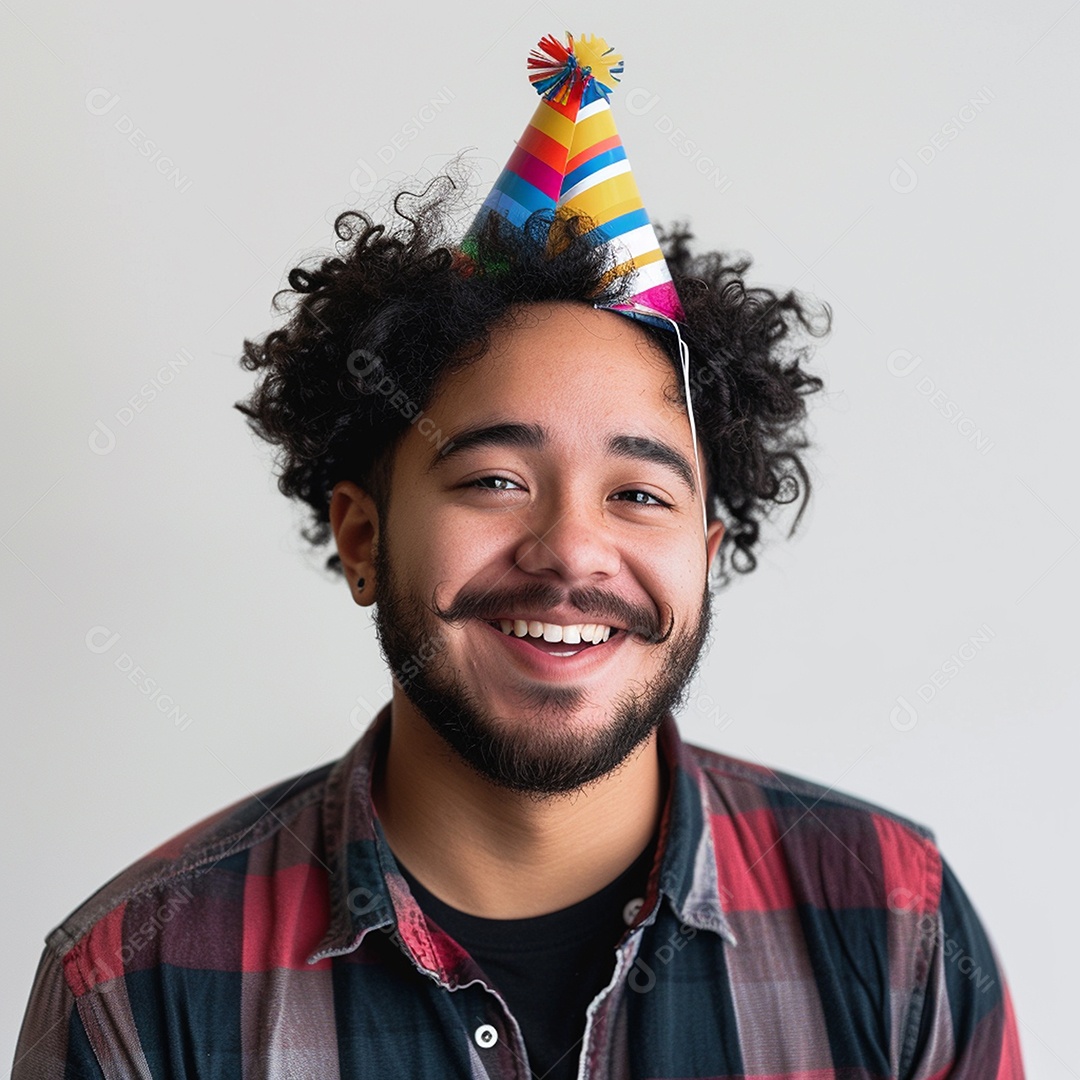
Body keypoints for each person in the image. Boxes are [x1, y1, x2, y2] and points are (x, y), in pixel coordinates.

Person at [13, 32, 1024, 1080]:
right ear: (363, 537)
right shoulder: (136, 979)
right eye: (494, 479)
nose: (572, 550)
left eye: (639, 494)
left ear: (707, 557)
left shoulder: (896, 925)